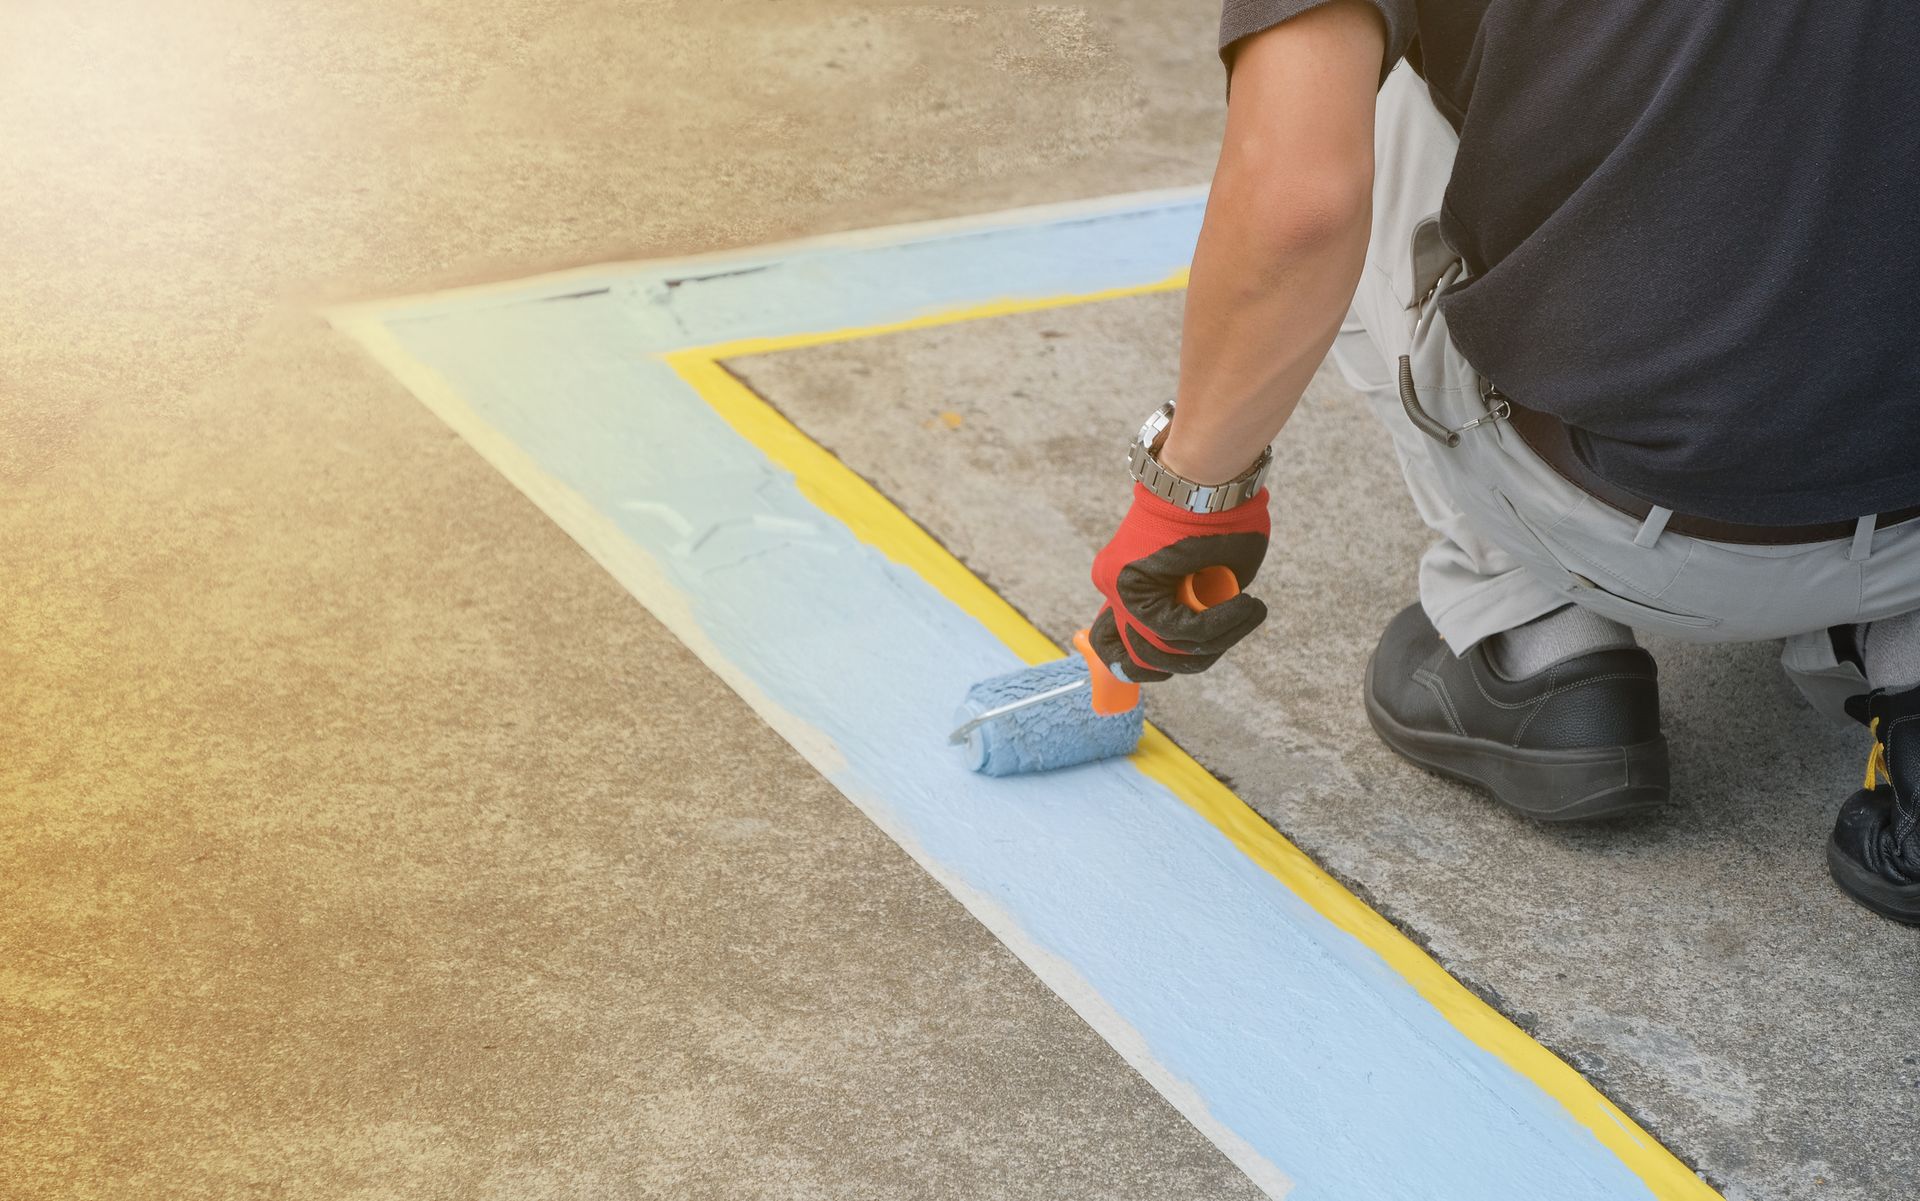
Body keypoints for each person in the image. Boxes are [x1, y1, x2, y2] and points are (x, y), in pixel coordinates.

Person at [1086, 0, 1920, 921]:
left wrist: (1190, 497)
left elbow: (1299, 209)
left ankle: (1534, 633)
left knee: (1356, 88)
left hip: (1629, 517)